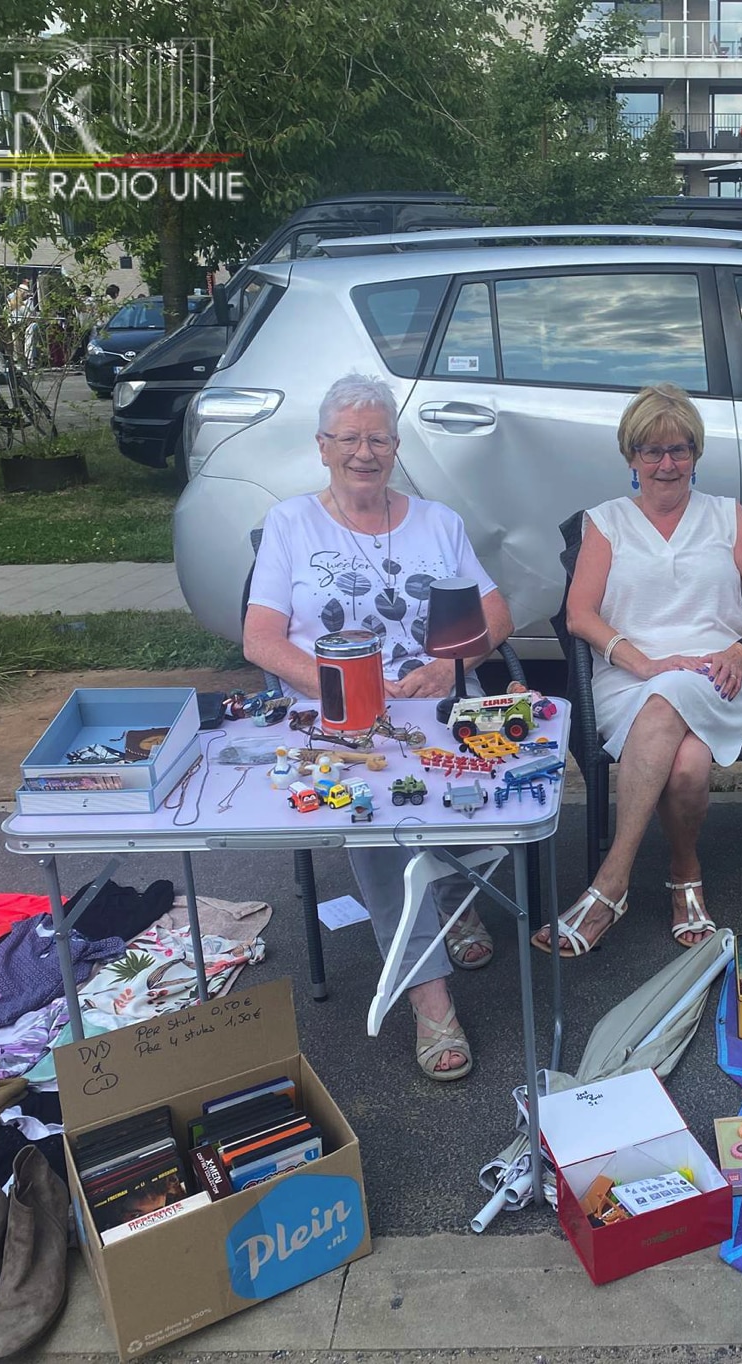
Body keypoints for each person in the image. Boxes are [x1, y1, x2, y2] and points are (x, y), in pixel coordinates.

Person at [244, 373, 515, 1082]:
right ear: (323, 447)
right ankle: (430, 995)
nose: (365, 452)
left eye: (379, 439)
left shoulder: (437, 523)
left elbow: (496, 617)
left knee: (508, 774)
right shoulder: (292, 524)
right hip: (342, 711)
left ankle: (453, 893)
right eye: (350, 439)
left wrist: (448, 668)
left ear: (395, 447)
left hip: (436, 695)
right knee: (378, 821)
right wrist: (346, 685)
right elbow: (262, 641)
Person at [547, 383, 742, 957]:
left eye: (680, 450)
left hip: (721, 678)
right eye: (651, 451)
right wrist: (644, 661)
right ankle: (684, 874)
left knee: (669, 701)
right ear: (631, 458)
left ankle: (610, 885)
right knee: (687, 767)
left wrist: (741, 650)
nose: (667, 464)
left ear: (696, 453)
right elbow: (579, 614)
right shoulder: (606, 521)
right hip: (628, 678)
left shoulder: (725, 516)